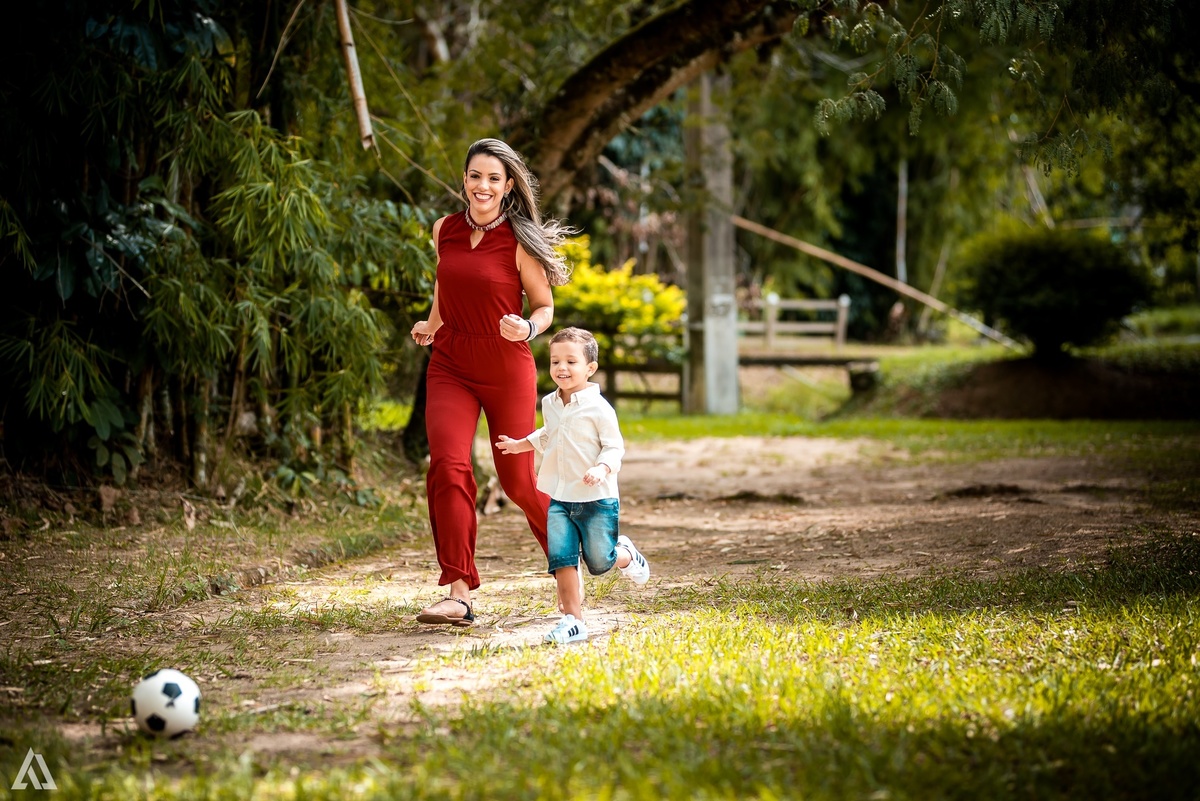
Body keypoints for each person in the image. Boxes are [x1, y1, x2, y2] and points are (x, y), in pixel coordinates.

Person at [410, 138, 573, 627]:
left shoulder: (520, 242)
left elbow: (544, 307)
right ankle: (458, 592)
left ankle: (575, 547)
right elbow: (446, 285)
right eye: (475, 176)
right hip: (451, 362)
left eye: (494, 179)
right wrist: (433, 323)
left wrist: (528, 327)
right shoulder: (444, 229)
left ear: (507, 188)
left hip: (505, 364)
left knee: (519, 481)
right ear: (464, 180)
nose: (483, 186)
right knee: (448, 465)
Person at [495, 327, 650, 644]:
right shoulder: (550, 403)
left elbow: (614, 448)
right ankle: (573, 621)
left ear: (590, 368)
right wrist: (519, 444)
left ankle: (625, 554)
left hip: (597, 499)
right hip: (560, 497)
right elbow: (548, 434)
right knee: (562, 558)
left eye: (570, 361)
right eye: (555, 362)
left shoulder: (599, 408)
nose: (561, 368)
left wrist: (602, 467)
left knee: (599, 561)